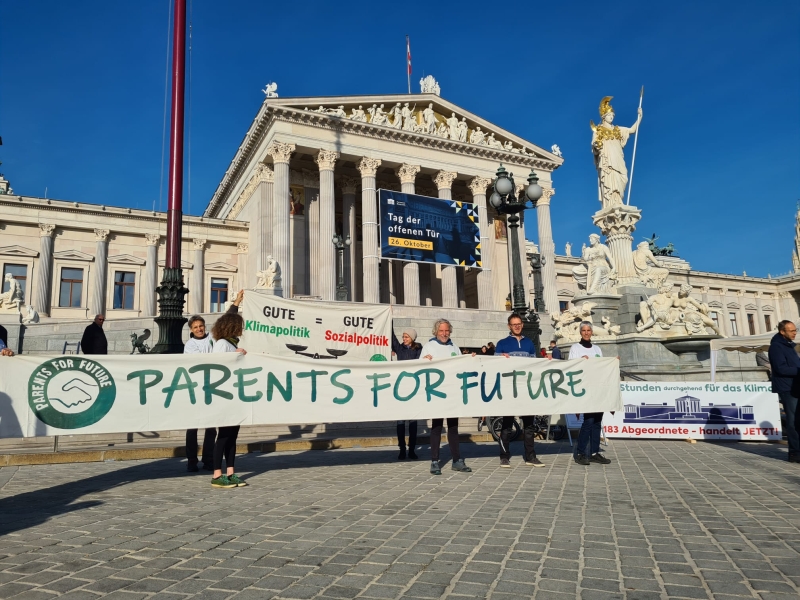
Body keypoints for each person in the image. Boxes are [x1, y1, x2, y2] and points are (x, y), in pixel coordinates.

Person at [183, 291, 245, 472]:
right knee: (192, 427)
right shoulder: (190, 346)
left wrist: (236, 303)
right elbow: (199, 364)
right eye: (196, 327)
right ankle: (192, 460)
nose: (199, 329)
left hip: (213, 388)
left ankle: (209, 460)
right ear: (191, 330)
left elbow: (225, 321)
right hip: (196, 388)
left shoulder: (213, 338)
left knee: (211, 427)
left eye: (201, 326)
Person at [420, 319, 472, 475]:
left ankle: (457, 460)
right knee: (436, 427)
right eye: (441, 331)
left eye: (447, 331)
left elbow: (461, 366)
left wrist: (471, 358)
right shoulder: (429, 346)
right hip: (437, 393)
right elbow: (419, 367)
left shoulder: (454, 347)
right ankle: (435, 461)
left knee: (453, 427)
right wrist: (424, 361)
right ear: (436, 332)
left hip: (452, 393)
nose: (444, 333)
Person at [495, 313, 546, 468]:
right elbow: (494, 366)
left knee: (529, 424)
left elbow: (534, 365)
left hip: (526, 389)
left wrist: (548, 362)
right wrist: (500, 359)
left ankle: (530, 456)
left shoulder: (529, 343)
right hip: (510, 389)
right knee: (507, 424)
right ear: (509, 326)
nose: (517, 326)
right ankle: (504, 456)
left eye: (519, 324)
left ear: (522, 325)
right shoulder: (502, 343)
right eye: (513, 324)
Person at [210, 313, 248, 488]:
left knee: (233, 436)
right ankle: (217, 474)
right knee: (224, 436)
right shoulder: (221, 344)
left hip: (235, 395)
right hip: (223, 395)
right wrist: (235, 355)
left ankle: (231, 472)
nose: (242, 329)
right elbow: (217, 367)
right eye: (239, 325)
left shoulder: (232, 344)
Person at [568, 321, 611, 466]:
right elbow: (570, 367)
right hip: (584, 388)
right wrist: (581, 361)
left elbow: (601, 367)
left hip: (597, 388)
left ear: (592, 332)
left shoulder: (597, 349)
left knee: (598, 420)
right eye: (584, 330)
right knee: (588, 421)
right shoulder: (575, 348)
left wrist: (612, 363)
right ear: (580, 332)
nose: (586, 333)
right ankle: (580, 452)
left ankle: (593, 452)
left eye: (588, 330)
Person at [768, 320, 800, 463]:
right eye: (791, 331)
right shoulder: (776, 346)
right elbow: (780, 369)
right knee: (793, 422)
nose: (795, 333)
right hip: (787, 388)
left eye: (795, 330)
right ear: (783, 332)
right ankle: (795, 452)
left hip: (796, 386)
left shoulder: (790, 346)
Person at [391, 327, 422, 460]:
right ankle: (402, 449)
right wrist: (389, 317)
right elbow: (392, 337)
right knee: (400, 422)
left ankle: (412, 449)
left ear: (412, 338)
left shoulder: (419, 350)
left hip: (414, 389)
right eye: (403, 336)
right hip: (400, 389)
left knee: (413, 423)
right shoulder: (400, 349)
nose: (404, 339)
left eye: (406, 337)